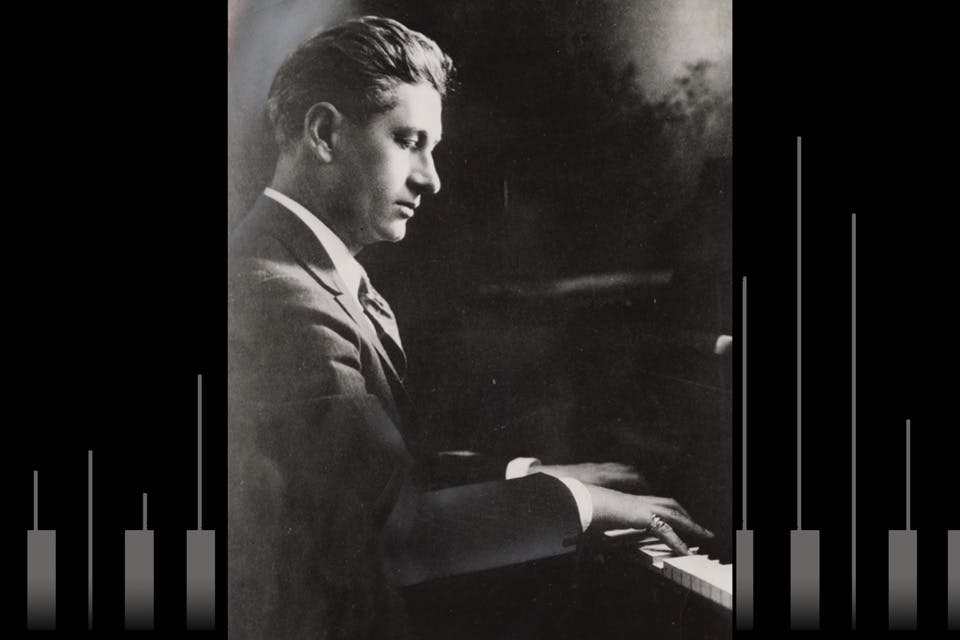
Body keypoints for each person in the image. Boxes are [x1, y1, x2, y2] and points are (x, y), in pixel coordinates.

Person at [228, 15, 712, 639]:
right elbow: (397, 535)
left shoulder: (300, 271)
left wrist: (533, 476)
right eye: (408, 141)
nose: (431, 178)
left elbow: (376, 476)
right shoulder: (281, 296)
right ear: (323, 133)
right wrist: (585, 504)